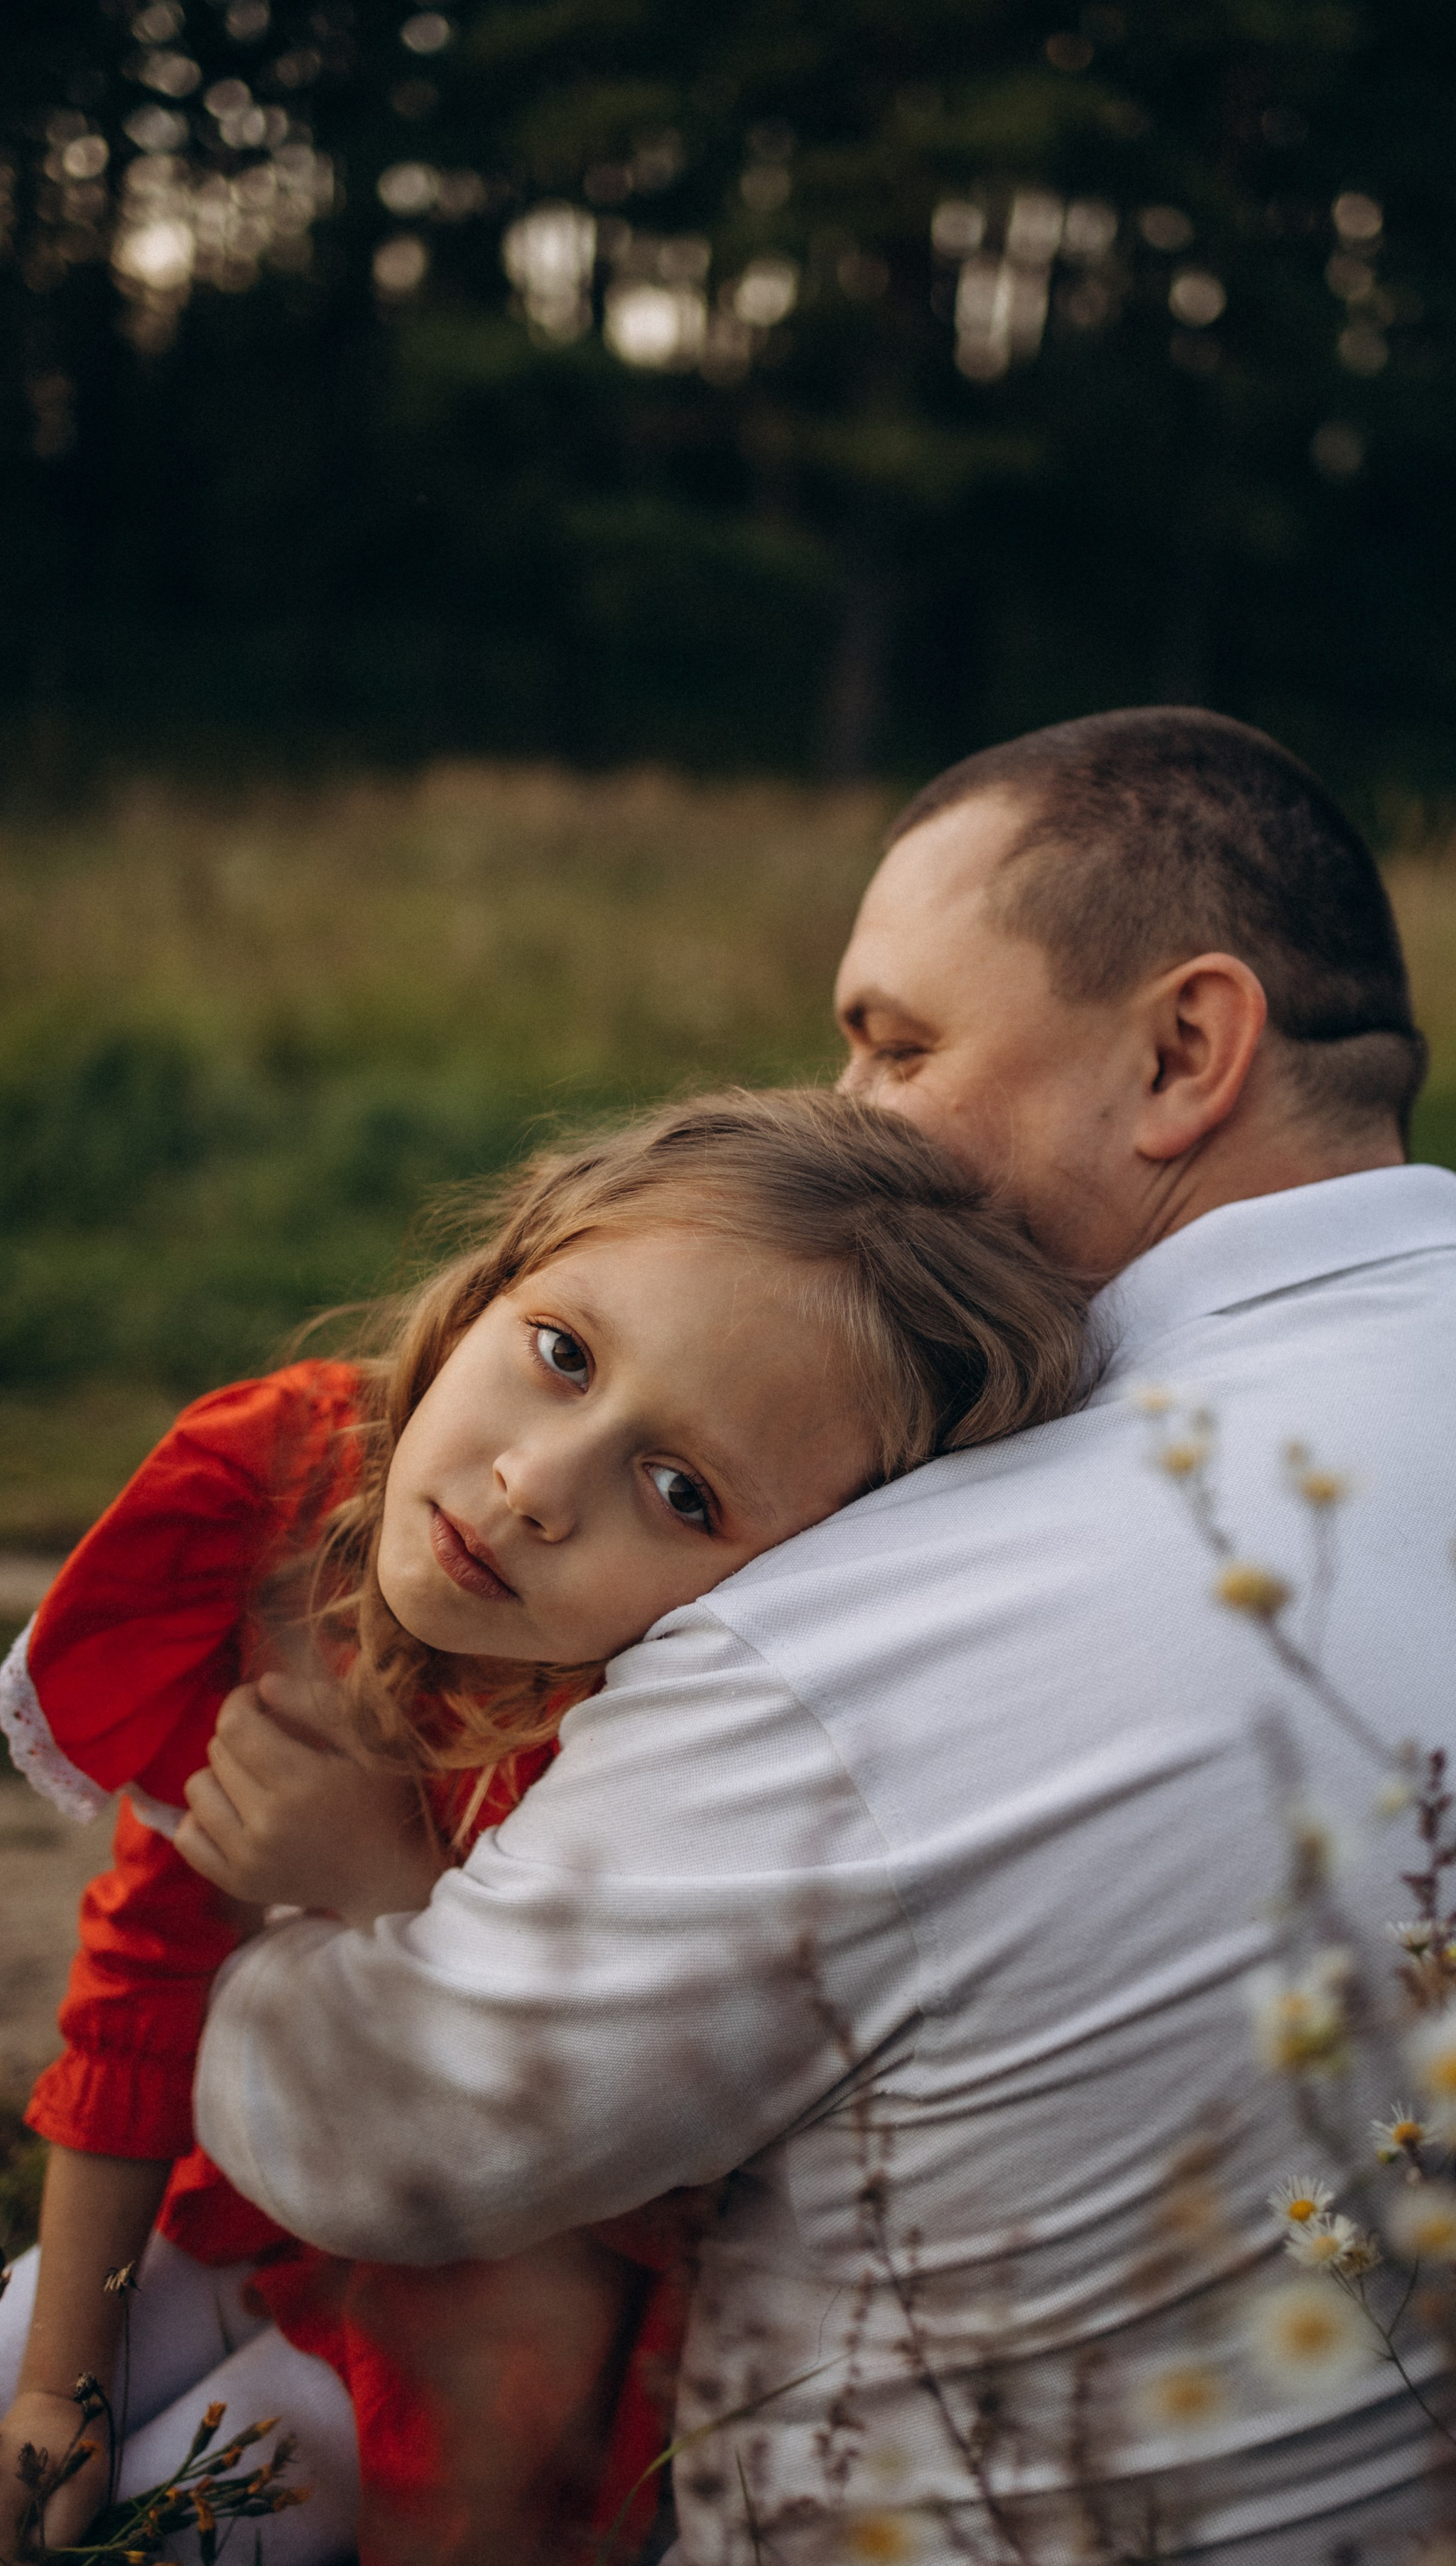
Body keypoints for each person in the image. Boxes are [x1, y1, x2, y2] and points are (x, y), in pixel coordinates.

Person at [190, 707, 1456, 2563]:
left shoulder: (893, 1599)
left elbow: (377, 2136)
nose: (850, 1111)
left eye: (899, 1045)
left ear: (1185, 1051)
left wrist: (327, 1903)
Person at [0, 1091, 1088, 2566]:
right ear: (503, 1272)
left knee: (187, 2521)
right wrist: (60, 2383)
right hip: (231, 2203)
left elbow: (619, 2184)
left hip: (483, 2340)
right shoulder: (300, 1498)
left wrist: (390, 1888)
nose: (530, 1486)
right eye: (562, 1353)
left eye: (680, 1492)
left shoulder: (674, 1764)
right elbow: (146, 1975)